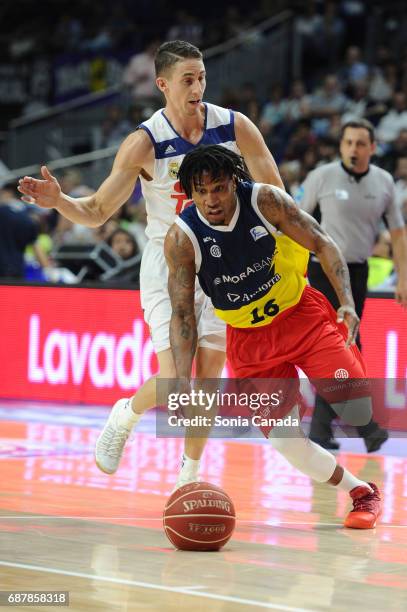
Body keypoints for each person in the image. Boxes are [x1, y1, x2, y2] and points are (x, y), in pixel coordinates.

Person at [18, 40, 284, 489]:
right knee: (175, 379)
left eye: (201, 77)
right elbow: (99, 210)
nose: (198, 86)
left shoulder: (236, 127)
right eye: (187, 79)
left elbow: (275, 195)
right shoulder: (144, 143)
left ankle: (190, 477)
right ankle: (128, 412)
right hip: (169, 265)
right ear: (163, 85)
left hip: (225, 264)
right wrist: (60, 200)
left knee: (210, 373)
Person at [163, 144, 381, 529]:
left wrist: (347, 302)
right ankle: (362, 491)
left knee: (356, 409)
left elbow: (323, 243)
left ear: (234, 181)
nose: (211, 199)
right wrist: (182, 380)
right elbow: (182, 315)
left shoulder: (264, 200)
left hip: (302, 318)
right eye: (201, 191)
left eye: (219, 188)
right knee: (284, 442)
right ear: (190, 193)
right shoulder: (182, 238)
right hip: (251, 343)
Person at [297, 119, 407, 451]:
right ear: (341, 145)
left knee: (344, 348)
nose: (353, 149)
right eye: (348, 143)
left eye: (361, 143)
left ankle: (323, 428)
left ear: (373, 148)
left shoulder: (384, 182)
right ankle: (365, 428)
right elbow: (296, 222)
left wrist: (403, 276)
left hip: (357, 273)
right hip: (322, 272)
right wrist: (296, 271)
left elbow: (398, 234)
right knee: (342, 347)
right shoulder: (322, 176)